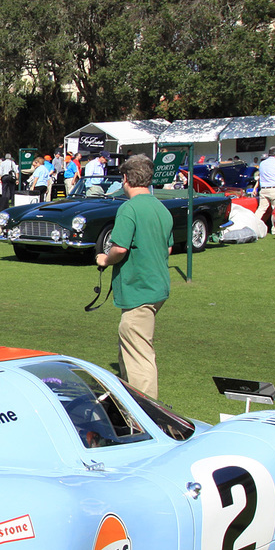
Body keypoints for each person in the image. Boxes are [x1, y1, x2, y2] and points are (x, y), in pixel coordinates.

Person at [94, 154, 172, 398]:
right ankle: (128, 401)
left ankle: (146, 411)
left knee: (139, 353)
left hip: (140, 287)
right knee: (129, 343)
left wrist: (104, 259)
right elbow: (168, 247)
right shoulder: (161, 208)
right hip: (157, 286)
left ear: (125, 179)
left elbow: (119, 248)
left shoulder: (129, 208)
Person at [255, 150, 275, 228]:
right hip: (274, 188)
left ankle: (253, 224)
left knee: (261, 209)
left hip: (263, 189)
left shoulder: (262, 163)